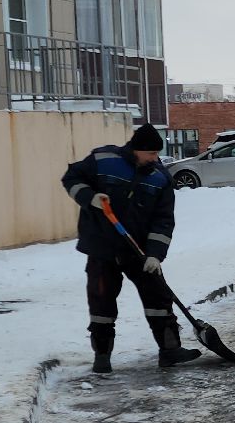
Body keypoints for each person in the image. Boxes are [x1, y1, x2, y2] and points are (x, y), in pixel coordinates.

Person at [61, 124, 201, 374]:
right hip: (102, 247)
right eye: (151, 153)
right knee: (101, 301)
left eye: (157, 153)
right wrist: (90, 197)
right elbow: (71, 178)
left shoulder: (160, 178)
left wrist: (155, 255)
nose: (155, 158)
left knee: (158, 298)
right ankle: (102, 356)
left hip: (139, 251)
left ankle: (170, 350)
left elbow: (163, 220)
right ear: (137, 149)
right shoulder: (104, 160)